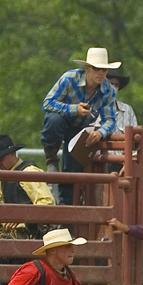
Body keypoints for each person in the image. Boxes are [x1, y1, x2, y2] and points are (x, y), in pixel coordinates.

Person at [40, 47, 121, 205]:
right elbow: (47, 103)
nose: (101, 73)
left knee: (72, 174)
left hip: (80, 130)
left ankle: (65, 211)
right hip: (62, 120)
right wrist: (73, 109)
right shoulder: (69, 78)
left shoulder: (108, 90)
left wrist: (101, 133)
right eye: (97, 69)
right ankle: (51, 157)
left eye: (104, 69)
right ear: (87, 69)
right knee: (54, 120)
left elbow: (110, 120)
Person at [0, 135, 56, 285]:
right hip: (12, 231)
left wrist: (21, 217)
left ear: (11, 154)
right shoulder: (3, 177)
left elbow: (47, 202)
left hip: (32, 231)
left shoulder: (29, 172)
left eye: (0, 158)